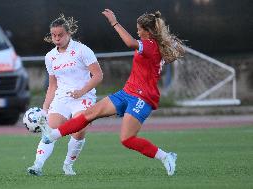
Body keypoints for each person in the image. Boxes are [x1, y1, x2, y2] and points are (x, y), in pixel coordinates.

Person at [39, 9, 184, 176]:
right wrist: (171, 44)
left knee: (127, 139)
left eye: (139, 29)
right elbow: (176, 49)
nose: (137, 32)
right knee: (88, 114)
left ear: (148, 31)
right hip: (127, 92)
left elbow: (129, 43)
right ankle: (53, 135)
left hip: (142, 98)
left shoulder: (150, 45)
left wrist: (114, 22)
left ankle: (166, 156)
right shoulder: (153, 45)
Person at [27, 14, 103, 176]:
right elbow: (53, 84)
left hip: (84, 97)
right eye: (53, 35)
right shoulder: (50, 57)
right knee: (50, 130)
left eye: (60, 35)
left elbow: (98, 75)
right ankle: (37, 165)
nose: (56, 38)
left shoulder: (82, 50)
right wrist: (45, 107)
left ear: (68, 34)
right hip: (62, 98)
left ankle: (68, 165)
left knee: (79, 129)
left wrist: (81, 91)